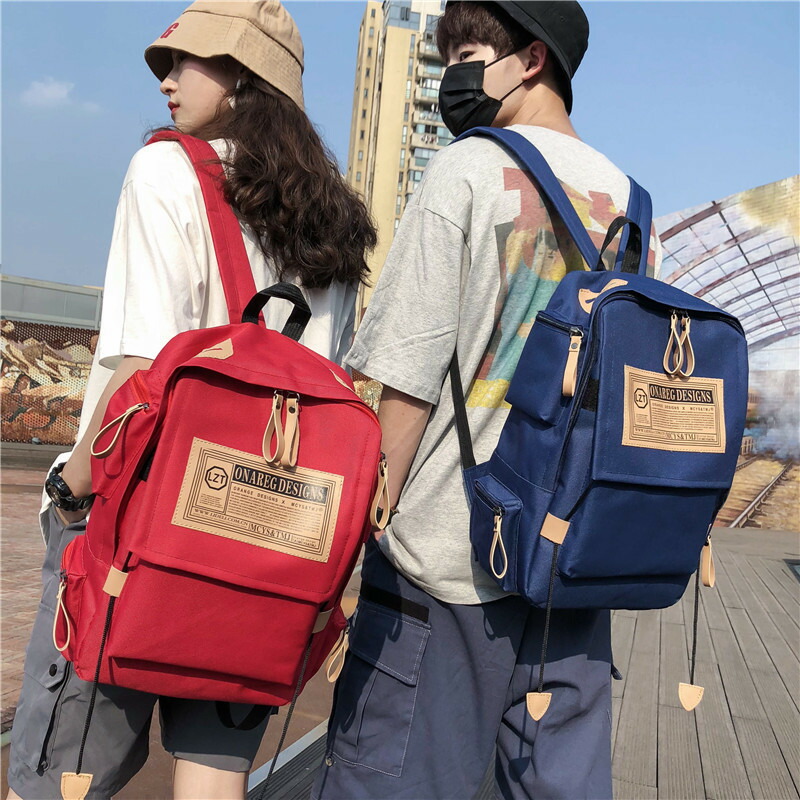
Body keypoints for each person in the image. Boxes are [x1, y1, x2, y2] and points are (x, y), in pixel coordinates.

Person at [6, 2, 376, 798]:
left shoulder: (168, 171)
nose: (166, 81)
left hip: (139, 524)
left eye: (185, 61)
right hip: (269, 539)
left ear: (244, 75)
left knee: (64, 775)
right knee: (213, 779)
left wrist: (68, 490)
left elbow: (139, 369)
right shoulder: (334, 217)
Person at [313, 2, 661, 799]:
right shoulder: (633, 206)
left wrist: (351, 542)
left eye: (467, 53)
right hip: (573, 570)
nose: (454, 76)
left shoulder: (465, 169)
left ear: (532, 59)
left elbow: (406, 381)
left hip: (445, 565)